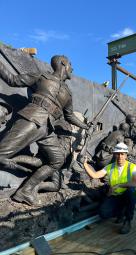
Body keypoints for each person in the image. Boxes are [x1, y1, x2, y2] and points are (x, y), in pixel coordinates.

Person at [0, 55, 90, 205]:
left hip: (48, 130)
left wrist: (84, 126)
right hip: (32, 119)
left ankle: (25, 191)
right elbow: (12, 79)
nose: (72, 69)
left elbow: (69, 116)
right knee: (2, 153)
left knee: (57, 160)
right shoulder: (41, 77)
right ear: (63, 63)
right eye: (70, 65)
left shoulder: (68, 93)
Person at [83, 142, 136, 234]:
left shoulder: (132, 167)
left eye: (122, 154)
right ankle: (120, 212)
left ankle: (128, 220)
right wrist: (85, 164)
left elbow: (135, 183)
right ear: (115, 155)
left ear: (126, 155)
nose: (120, 156)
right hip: (115, 195)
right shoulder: (110, 167)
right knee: (103, 213)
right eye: (118, 154)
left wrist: (120, 185)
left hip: (127, 195)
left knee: (132, 191)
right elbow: (94, 175)